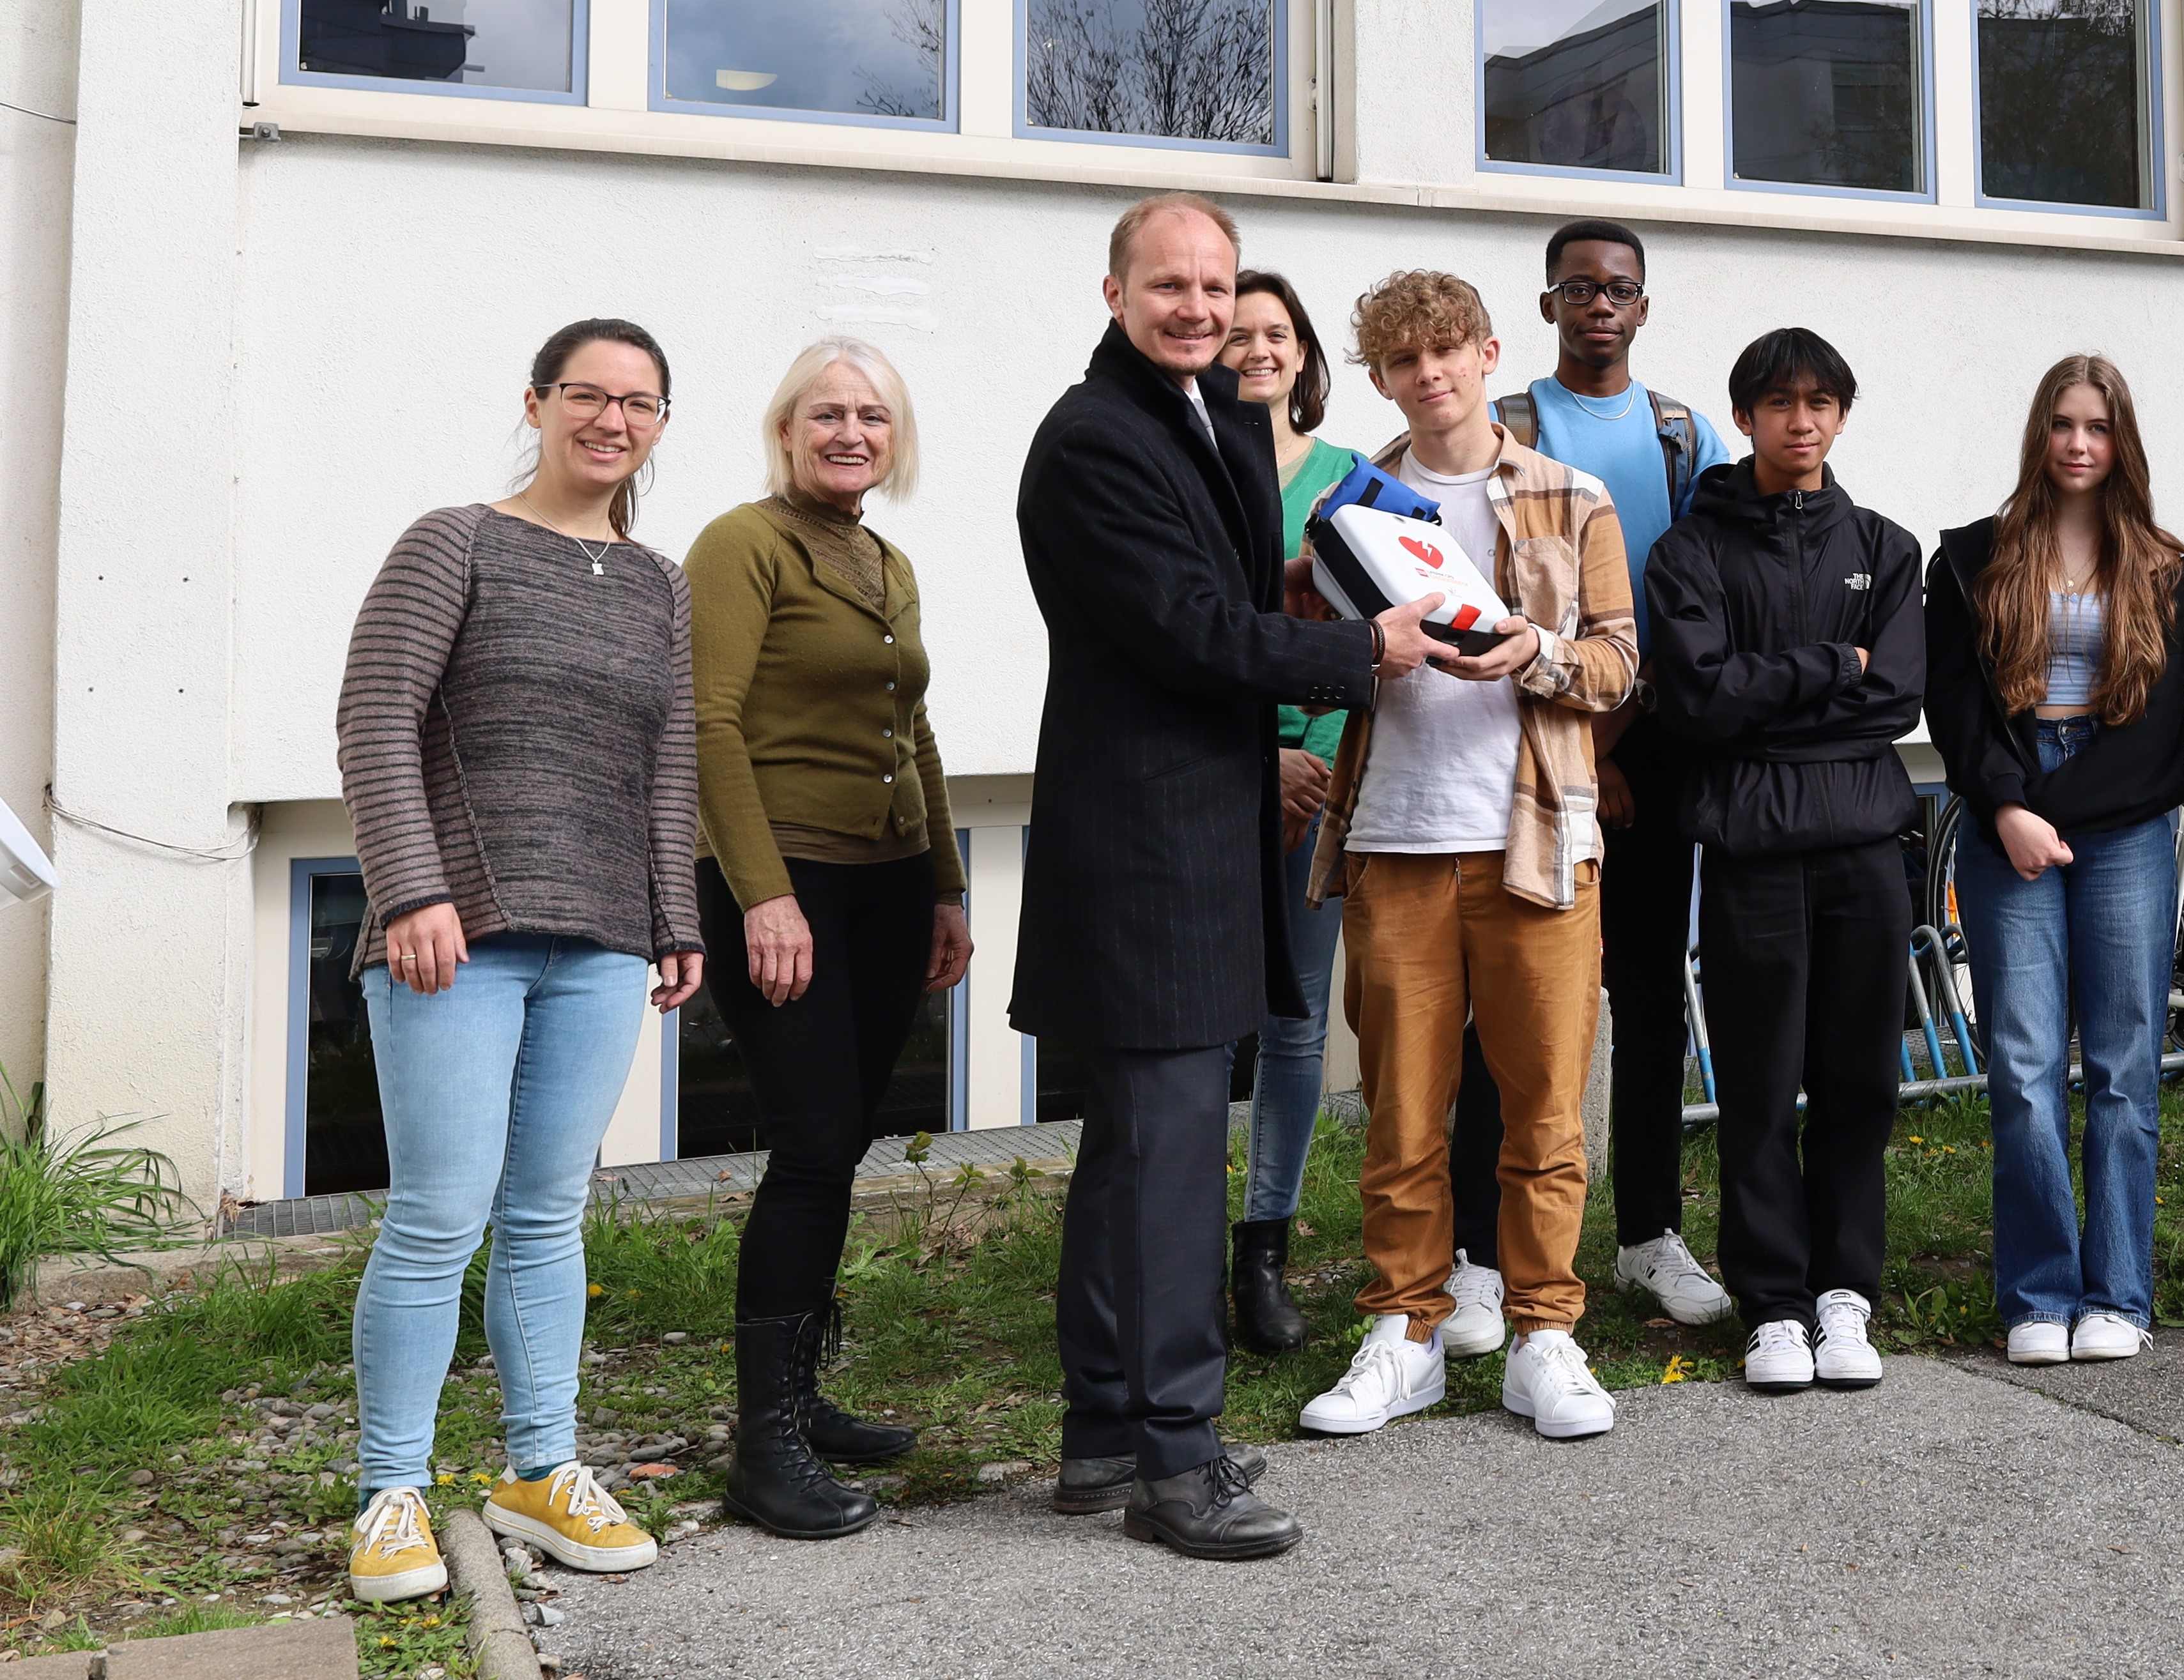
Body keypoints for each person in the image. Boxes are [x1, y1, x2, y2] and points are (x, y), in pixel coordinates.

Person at [1013, 194, 1472, 1560]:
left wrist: (1311, 590)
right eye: (1172, 284)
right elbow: (1184, 629)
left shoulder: (1191, 415)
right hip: (1146, 847)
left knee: (1132, 1156)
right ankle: (1177, 1454)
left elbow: (1220, 600)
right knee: (1162, 1165)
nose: (1200, 306)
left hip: (1188, 831)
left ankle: (1105, 1431)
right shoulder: (1098, 438)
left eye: (1216, 284)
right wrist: (1356, 649)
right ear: (1114, 293)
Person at [334, 319, 707, 1605]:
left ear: (660, 423)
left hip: (602, 939)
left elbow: (669, 763)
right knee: (439, 1214)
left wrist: (676, 918)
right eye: (589, 395)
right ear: (539, 401)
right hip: (457, 936)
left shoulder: (663, 584)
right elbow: (374, 718)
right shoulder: (457, 540)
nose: (612, 420)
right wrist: (412, 890)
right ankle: (391, 1490)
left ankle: (539, 1470)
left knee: (550, 1211)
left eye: (639, 403)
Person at [1295, 271, 1640, 1446]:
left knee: (1545, 1114)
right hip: (1395, 839)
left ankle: (1546, 1335)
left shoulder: (1570, 492)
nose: (1428, 375)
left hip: (1537, 838)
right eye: (1402, 361)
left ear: (1490, 353)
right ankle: (1407, 1331)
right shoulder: (1349, 507)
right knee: (1402, 1114)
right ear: (1381, 377)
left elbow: (1617, 666)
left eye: (1446, 352)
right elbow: (1307, 647)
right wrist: (1357, 652)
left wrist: (1532, 649)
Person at [681, 338, 973, 1541]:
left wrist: (948, 886)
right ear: (785, 428)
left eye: (873, 417)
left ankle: (801, 1397)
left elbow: (919, 730)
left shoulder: (887, 559)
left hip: (890, 885)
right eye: (826, 414)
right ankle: (765, 1444)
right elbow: (708, 725)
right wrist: (763, 896)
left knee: (844, 1139)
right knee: (809, 1143)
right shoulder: (743, 544)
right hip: (786, 880)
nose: (850, 433)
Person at [1642, 328, 1925, 1396]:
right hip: (1753, 844)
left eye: (1819, 403)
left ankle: (1845, 1296)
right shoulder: (1692, 551)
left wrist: (1776, 696)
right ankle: (1772, 1306)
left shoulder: (1888, 549)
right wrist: (1827, 667)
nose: (1800, 421)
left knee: (1858, 1079)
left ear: (1841, 417)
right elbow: (1703, 701)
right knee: (1759, 1084)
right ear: (1746, 416)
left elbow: (1894, 700)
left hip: (1861, 843)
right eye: (1778, 403)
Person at [1469, 217, 1737, 1332]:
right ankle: (1484, 1255)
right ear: (1547, 308)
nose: (1599, 306)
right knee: (1513, 1004)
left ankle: (1646, 1236)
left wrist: (1621, 750)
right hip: (1529, 754)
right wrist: (1584, 752)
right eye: (1577, 289)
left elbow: (1703, 602)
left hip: (1654, 754)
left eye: (1618, 289)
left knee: (1648, 999)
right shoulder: (1506, 426)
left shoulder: (1685, 437)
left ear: (1642, 304)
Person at [1925, 355, 2184, 1367]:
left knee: (2126, 1065)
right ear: (2039, 435)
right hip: (2010, 810)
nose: (2080, 444)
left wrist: (2054, 814)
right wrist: (2007, 805)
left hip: (2122, 820)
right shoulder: (1972, 557)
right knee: (2027, 1066)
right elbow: (1952, 701)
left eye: (2099, 426)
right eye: (2063, 425)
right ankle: (2039, 1293)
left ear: (2121, 440)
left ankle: (2120, 1294)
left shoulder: (2166, 567)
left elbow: (2159, 720)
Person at [1220, 270, 1360, 1358]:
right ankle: (1168, 1245)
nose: (1256, 349)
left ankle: (1262, 1248)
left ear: (1305, 357)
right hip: (1208, 774)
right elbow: (1182, 633)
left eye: (1277, 334)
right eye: (1236, 332)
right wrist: (1259, 753)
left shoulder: (1349, 480)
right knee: (1190, 1027)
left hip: (1320, 789)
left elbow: (1368, 634)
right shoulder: (1185, 469)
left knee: (1296, 1022)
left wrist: (1308, 758)